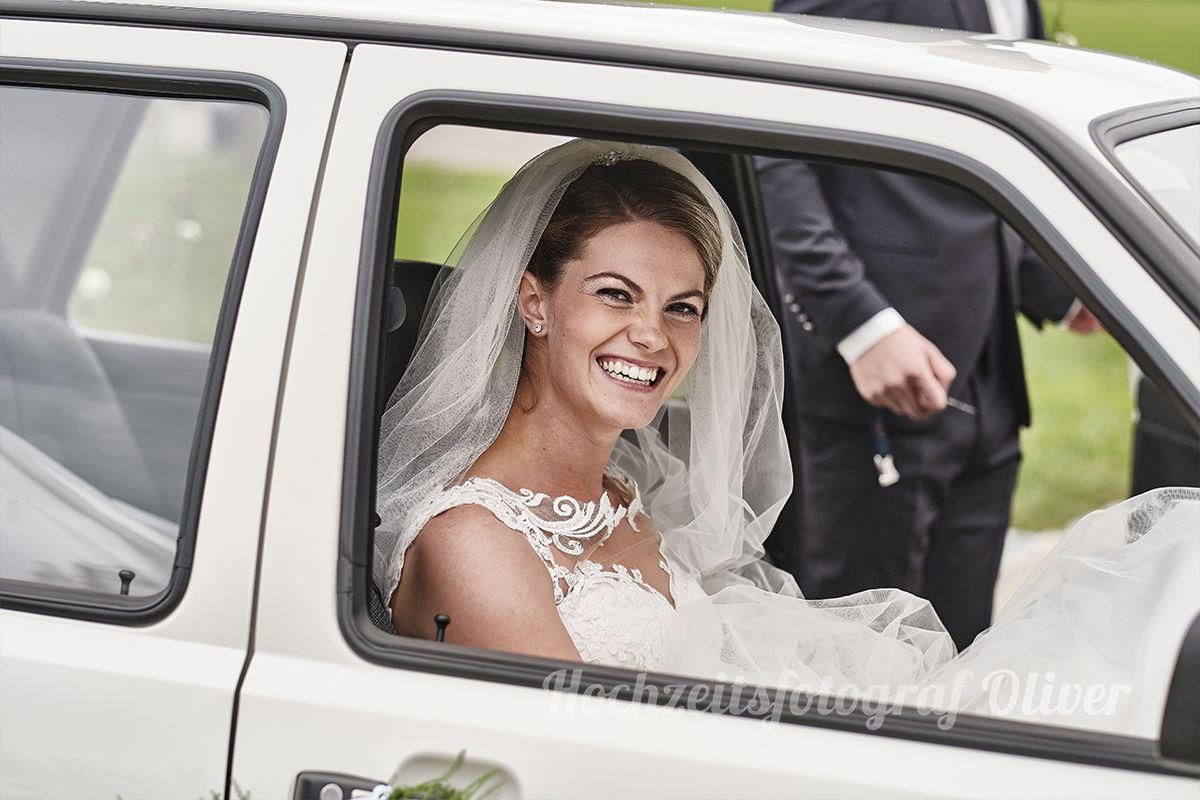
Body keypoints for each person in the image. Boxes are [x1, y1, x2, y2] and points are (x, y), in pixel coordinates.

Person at [375, 139, 1198, 736]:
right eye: (615, 295)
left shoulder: (626, 494)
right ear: (534, 302)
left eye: (681, 308)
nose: (652, 337)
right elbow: (580, 769)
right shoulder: (476, 545)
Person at [756, 0, 1101, 651]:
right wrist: (860, 324)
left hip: (989, 379)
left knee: (957, 647)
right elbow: (779, 141)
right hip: (878, 380)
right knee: (860, 651)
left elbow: (977, 160)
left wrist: (1057, 289)